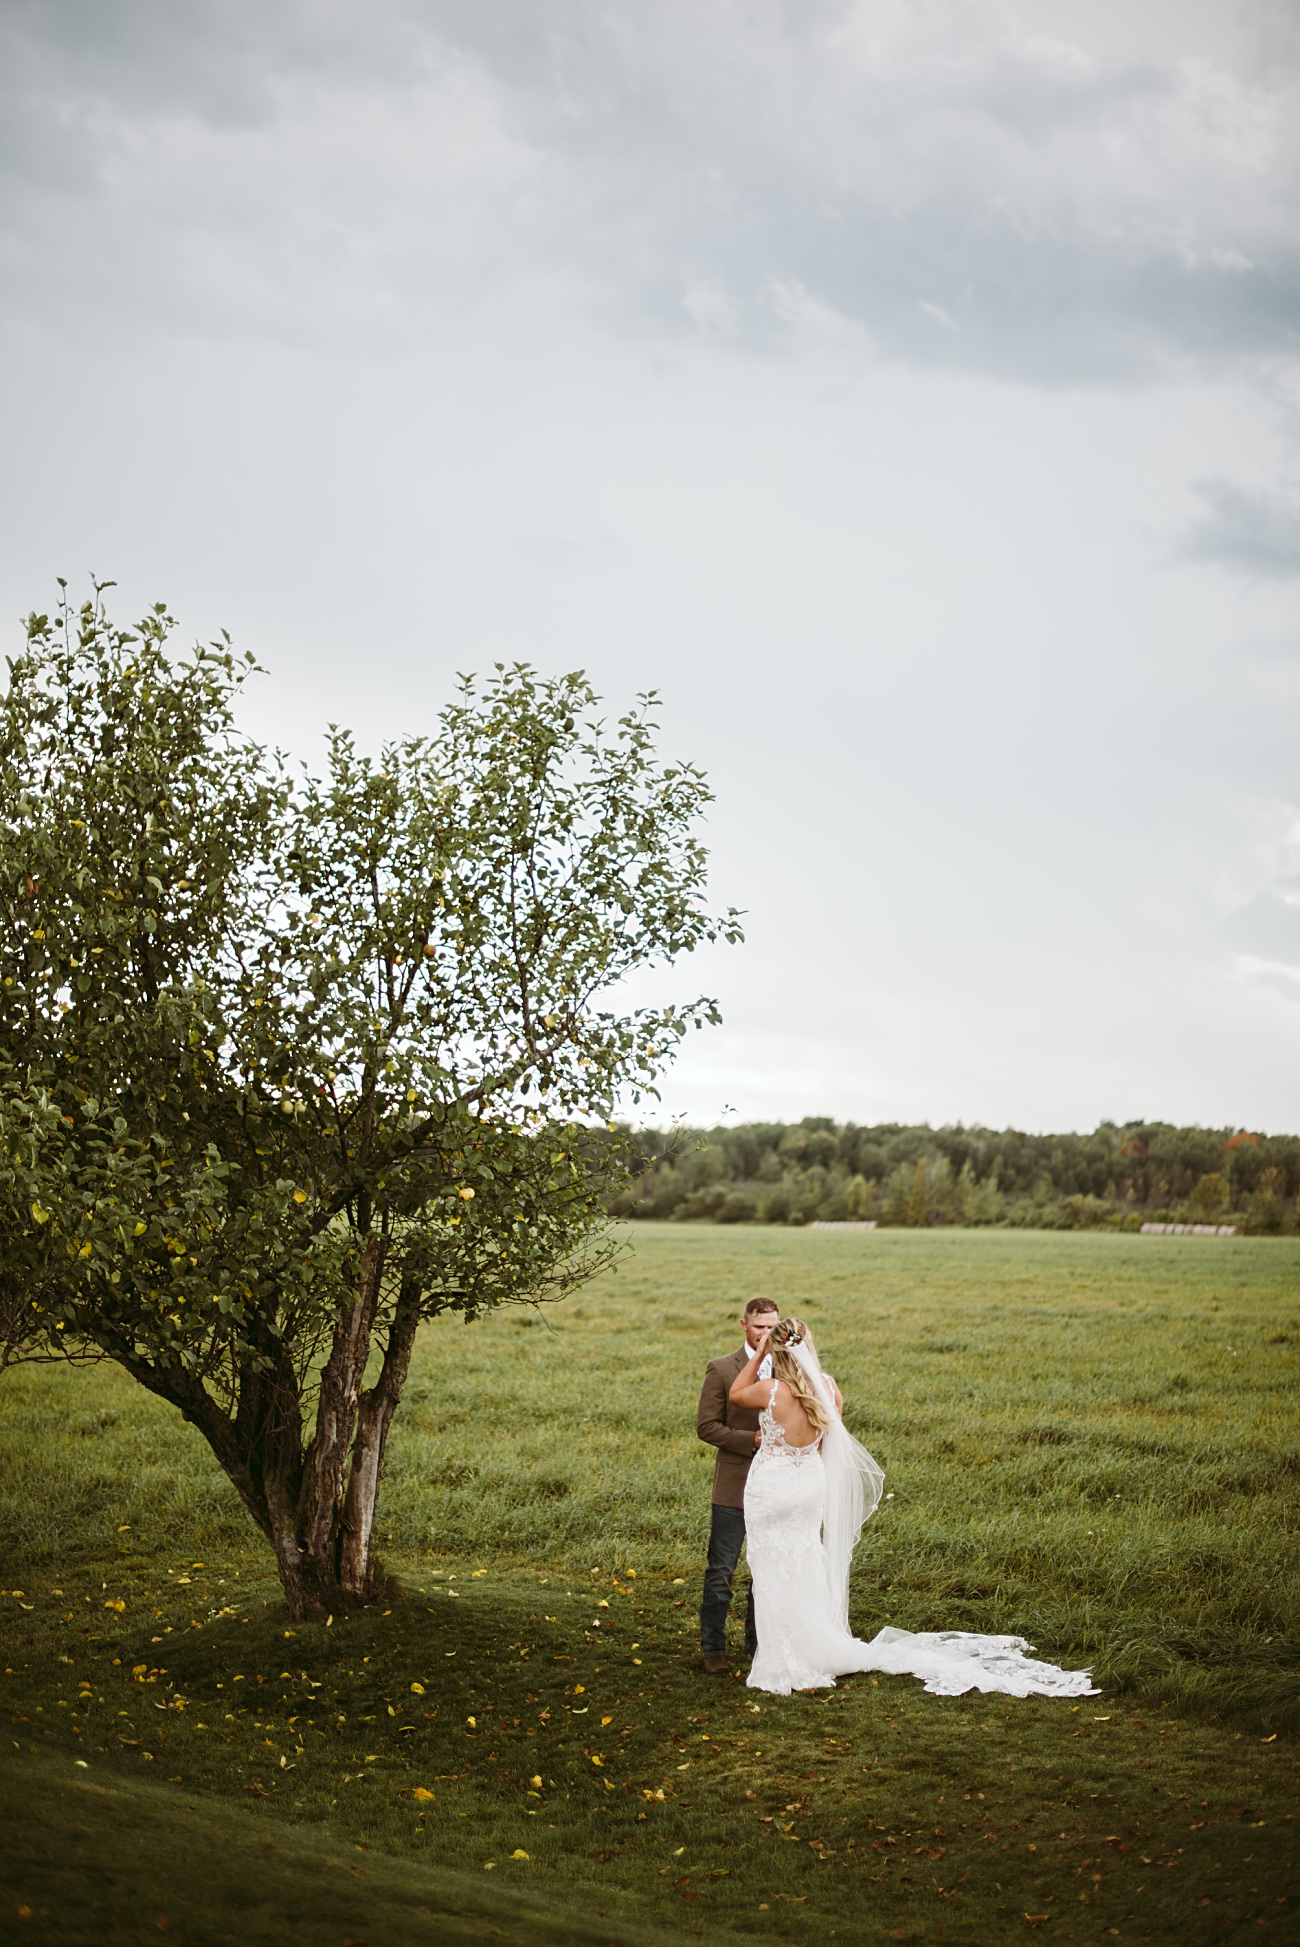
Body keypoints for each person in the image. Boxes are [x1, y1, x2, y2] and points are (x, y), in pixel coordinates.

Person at [731, 1318, 1099, 1700]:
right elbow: (828, 1441)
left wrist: (757, 1354)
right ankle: (810, 1649)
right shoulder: (827, 1388)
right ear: (808, 1347)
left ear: (775, 1349)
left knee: (772, 1569)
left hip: (771, 1487)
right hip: (808, 1485)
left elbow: (735, 1393)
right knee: (805, 1561)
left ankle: (781, 1660)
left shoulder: (770, 1390)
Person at [695, 1298, 780, 1675]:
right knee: (721, 1570)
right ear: (744, 1325)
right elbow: (707, 1427)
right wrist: (753, 1441)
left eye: (771, 1327)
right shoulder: (721, 1368)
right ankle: (713, 1648)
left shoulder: (788, 1368)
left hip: (778, 1484)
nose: (766, 1334)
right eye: (759, 1327)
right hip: (734, 1485)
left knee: (766, 1571)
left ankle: (756, 1641)